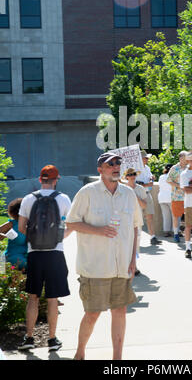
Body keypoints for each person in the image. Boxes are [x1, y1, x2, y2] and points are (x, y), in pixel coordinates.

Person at [65, 152, 140, 360]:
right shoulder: (87, 192)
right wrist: (98, 230)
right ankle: (80, 354)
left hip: (121, 266)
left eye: (118, 163)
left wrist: (133, 259)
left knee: (120, 311)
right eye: (110, 164)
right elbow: (71, 223)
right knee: (93, 313)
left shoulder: (128, 193)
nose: (116, 167)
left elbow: (135, 227)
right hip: (95, 266)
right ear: (100, 170)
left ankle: (117, 360)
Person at [18, 165, 72, 352]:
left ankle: (29, 337)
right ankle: (51, 340)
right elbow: (70, 225)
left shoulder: (27, 199)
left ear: (40, 179)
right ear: (56, 180)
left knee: (33, 297)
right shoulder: (63, 199)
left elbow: (22, 228)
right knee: (52, 299)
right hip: (55, 254)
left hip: (35, 254)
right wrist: (58, 238)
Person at [122, 167, 146, 276]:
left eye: (134, 174)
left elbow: (144, 205)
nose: (132, 176)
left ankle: (134, 266)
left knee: (136, 243)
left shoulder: (140, 188)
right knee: (124, 242)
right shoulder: (121, 188)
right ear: (126, 176)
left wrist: (133, 194)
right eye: (130, 174)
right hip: (124, 220)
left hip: (136, 220)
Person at [137, 150, 161, 245]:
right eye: (145, 157)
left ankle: (152, 237)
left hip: (147, 193)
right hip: (138, 194)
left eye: (147, 158)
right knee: (137, 218)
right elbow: (135, 183)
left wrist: (152, 178)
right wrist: (147, 184)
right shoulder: (135, 169)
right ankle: (136, 238)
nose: (147, 159)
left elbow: (150, 177)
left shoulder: (147, 168)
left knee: (150, 216)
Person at [0, 198, 27, 271]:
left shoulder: (32, 225)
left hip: (25, 257)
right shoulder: (12, 224)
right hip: (13, 258)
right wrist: (2, 235)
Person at [166, 151, 188, 243]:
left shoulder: (189, 168)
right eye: (185, 157)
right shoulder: (174, 168)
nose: (186, 159)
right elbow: (168, 180)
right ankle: (176, 234)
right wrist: (179, 186)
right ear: (180, 158)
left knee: (189, 215)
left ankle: (191, 234)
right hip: (177, 196)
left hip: (188, 196)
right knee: (176, 216)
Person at [158, 164, 173, 237]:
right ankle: (175, 230)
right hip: (171, 198)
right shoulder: (173, 177)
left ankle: (166, 231)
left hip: (162, 198)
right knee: (175, 215)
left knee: (166, 215)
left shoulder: (161, 177)